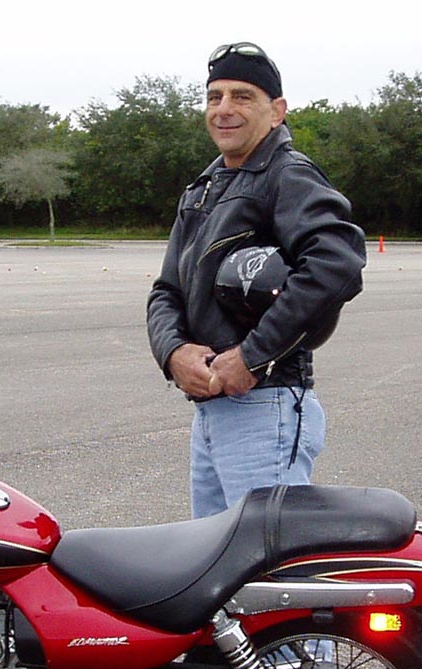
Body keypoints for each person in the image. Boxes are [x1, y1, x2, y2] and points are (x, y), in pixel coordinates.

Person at [147, 42, 367, 518]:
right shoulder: (203, 189)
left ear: (277, 111)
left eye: (242, 96)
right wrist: (173, 352)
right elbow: (166, 290)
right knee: (215, 560)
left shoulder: (288, 175)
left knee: (267, 560)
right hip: (212, 412)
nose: (224, 109)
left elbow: (337, 262)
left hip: (265, 408)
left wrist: (252, 355)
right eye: (214, 97)